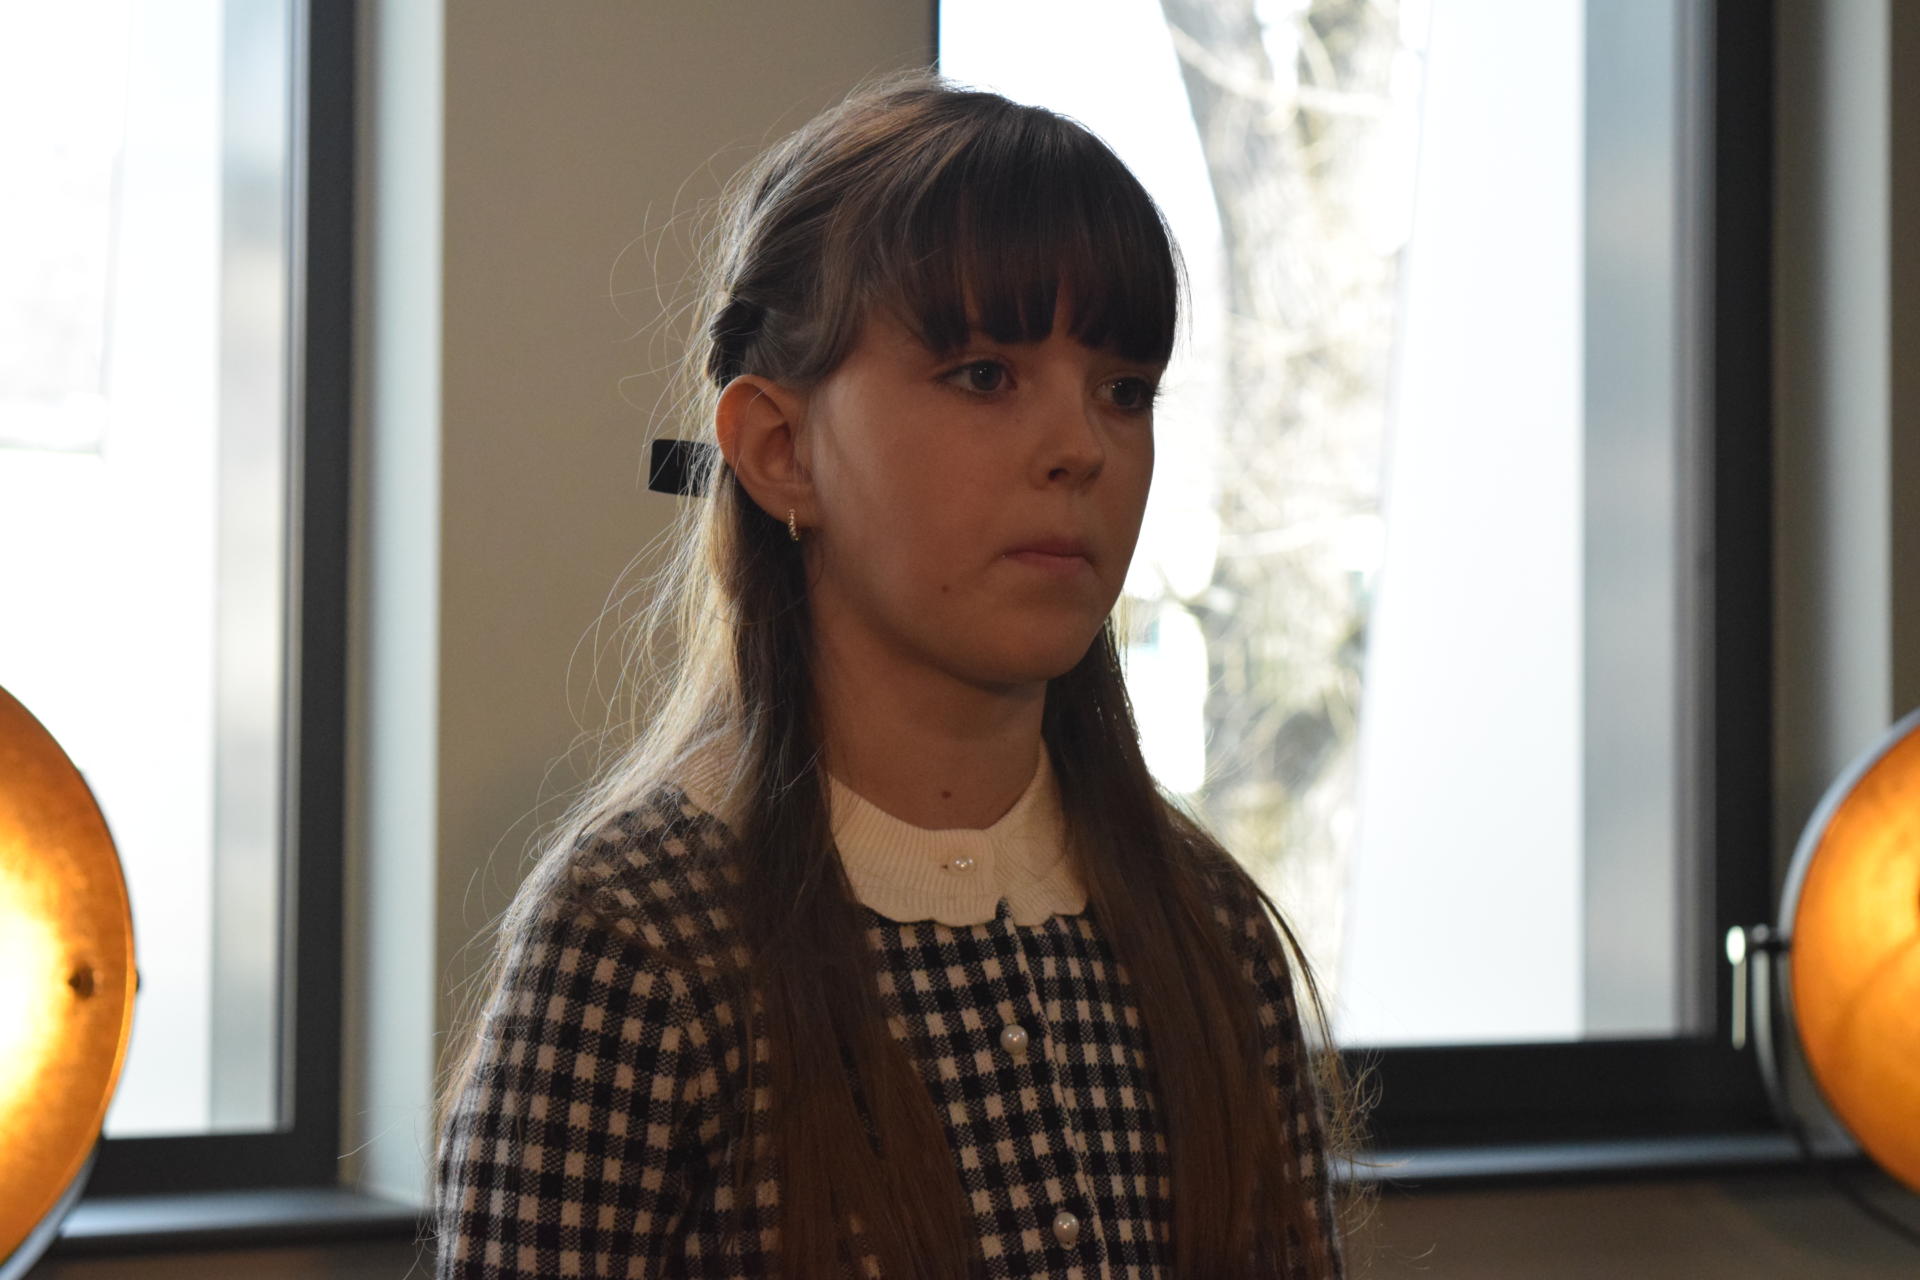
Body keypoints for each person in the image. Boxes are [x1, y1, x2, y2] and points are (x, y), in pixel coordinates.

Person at [435, 70, 1360, 1279]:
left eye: (1124, 391)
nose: (1080, 446)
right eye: (985, 374)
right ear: (780, 448)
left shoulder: (1208, 931)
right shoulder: (642, 940)